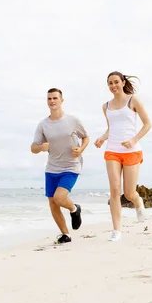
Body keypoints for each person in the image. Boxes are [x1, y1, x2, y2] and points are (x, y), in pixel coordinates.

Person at [94, 71, 152, 241]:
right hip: (112, 150)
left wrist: (134, 139)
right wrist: (102, 138)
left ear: (123, 81)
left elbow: (147, 124)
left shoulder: (133, 100)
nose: (113, 86)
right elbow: (111, 128)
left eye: (116, 82)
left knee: (128, 193)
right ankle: (116, 231)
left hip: (132, 151)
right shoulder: (106, 106)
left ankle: (138, 201)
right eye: (110, 83)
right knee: (114, 190)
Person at [31, 88, 90, 244]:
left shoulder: (72, 121)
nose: (52, 101)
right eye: (49, 98)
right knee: (52, 202)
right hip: (51, 168)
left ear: (61, 100)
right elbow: (33, 148)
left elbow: (85, 137)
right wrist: (41, 147)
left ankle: (74, 209)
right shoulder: (43, 125)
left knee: (59, 198)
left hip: (71, 166)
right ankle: (65, 234)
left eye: (55, 98)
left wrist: (81, 149)